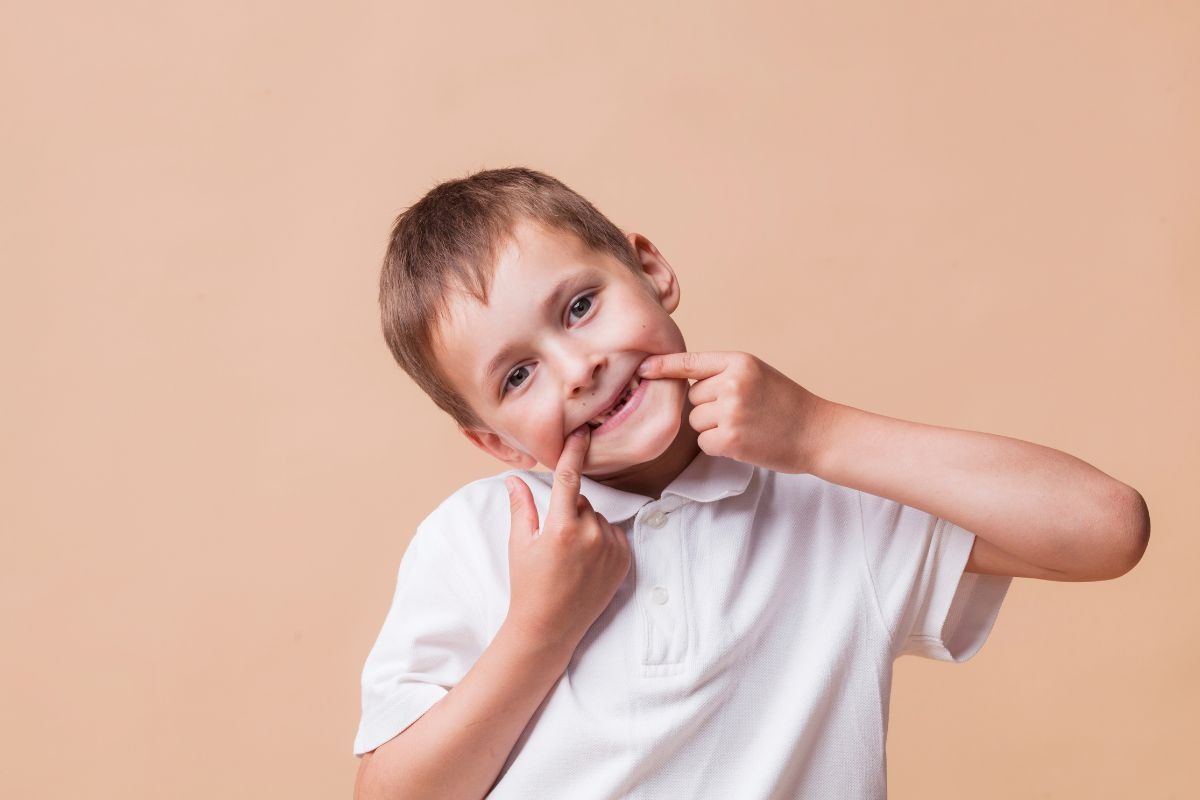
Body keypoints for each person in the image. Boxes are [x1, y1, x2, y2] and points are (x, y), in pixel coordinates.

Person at [352, 167, 1150, 799]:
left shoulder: (827, 496)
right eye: (519, 374)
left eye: (582, 306)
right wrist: (541, 626)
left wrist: (816, 432)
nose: (578, 368)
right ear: (495, 441)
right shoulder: (474, 541)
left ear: (652, 270)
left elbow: (1108, 529)